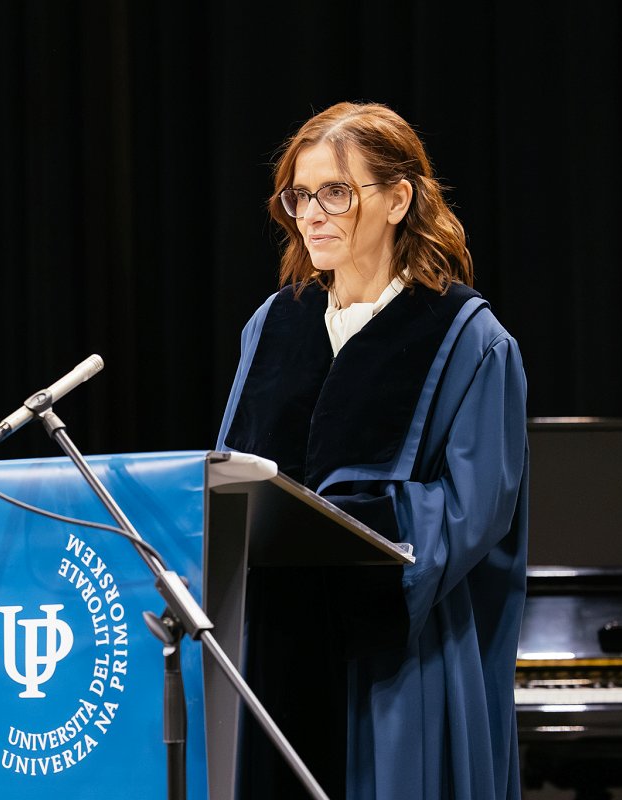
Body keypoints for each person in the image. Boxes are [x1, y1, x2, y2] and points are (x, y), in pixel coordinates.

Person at [216, 101, 529, 799]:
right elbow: (230, 476)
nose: (311, 215)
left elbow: (476, 510)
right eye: (299, 195)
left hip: (397, 652)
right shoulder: (273, 325)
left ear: (397, 199)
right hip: (276, 642)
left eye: (335, 192)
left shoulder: (468, 339)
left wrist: (352, 531)